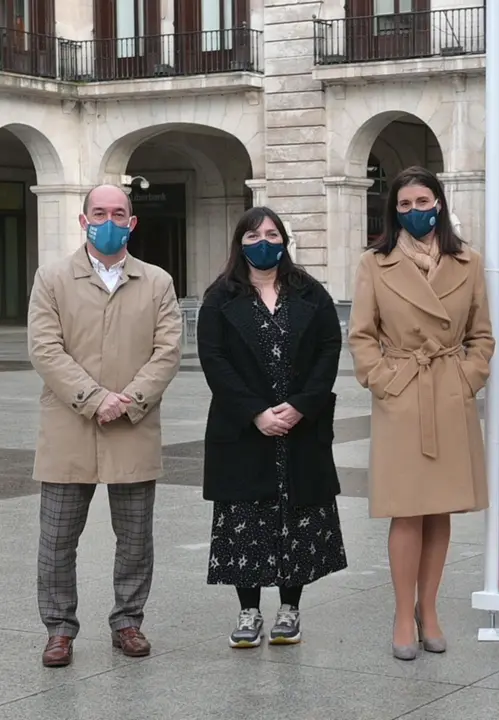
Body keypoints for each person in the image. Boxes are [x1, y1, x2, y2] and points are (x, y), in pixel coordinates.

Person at [26, 184, 183, 667]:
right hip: (69, 427)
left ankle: (128, 621)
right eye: (100, 212)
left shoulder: (157, 281)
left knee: (135, 537)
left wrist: (129, 400)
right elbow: (45, 349)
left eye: (119, 213)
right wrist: (95, 399)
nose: (109, 221)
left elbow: (168, 351)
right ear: (83, 220)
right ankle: (59, 629)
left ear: (132, 223)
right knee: (57, 539)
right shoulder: (51, 278)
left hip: (132, 426)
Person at [348, 166, 494, 661]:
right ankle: (400, 612)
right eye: (404, 205)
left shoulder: (468, 261)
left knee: (439, 508)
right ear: (394, 211)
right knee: (406, 509)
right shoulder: (375, 263)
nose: (415, 212)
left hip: (449, 393)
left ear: (440, 203)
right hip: (402, 394)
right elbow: (362, 334)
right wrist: (385, 380)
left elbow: (482, 335)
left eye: (423, 201)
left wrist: (467, 376)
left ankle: (428, 609)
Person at [197, 207, 347, 649]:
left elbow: (328, 349)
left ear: (284, 239)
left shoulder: (309, 292)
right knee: (245, 517)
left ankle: (289, 608)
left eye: (272, 233)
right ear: (239, 244)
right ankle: (248, 611)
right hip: (244, 428)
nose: (264, 242)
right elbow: (214, 360)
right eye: (253, 235)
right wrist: (256, 413)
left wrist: (301, 407)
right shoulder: (219, 297)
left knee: (296, 518)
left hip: (300, 427)